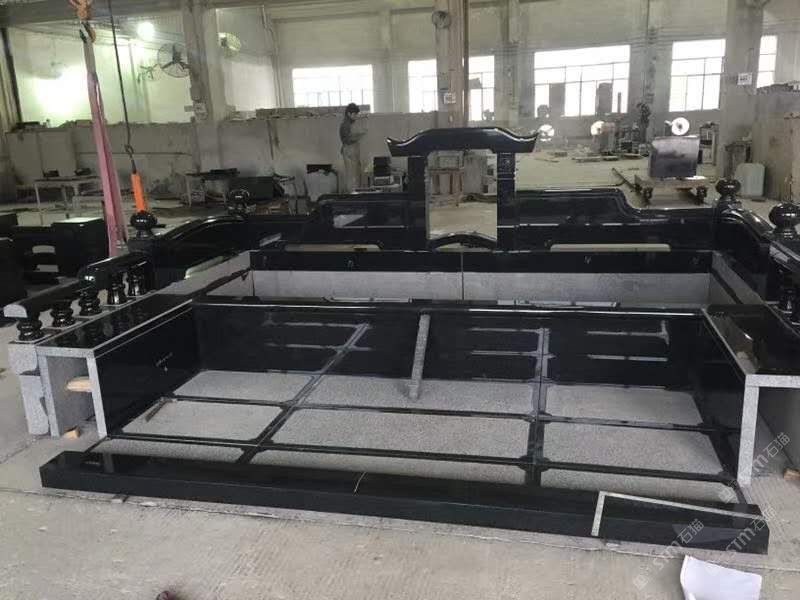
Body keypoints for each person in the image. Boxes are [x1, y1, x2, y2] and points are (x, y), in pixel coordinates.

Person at [339, 103, 366, 193]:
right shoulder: (345, 125)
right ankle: (352, 196)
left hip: (352, 151)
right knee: (352, 177)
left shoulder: (350, 124)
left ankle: (355, 194)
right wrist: (359, 136)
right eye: (354, 114)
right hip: (349, 151)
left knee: (355, 175)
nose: (356, 116)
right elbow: (347, 140)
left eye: (356, 114)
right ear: (349, 114)